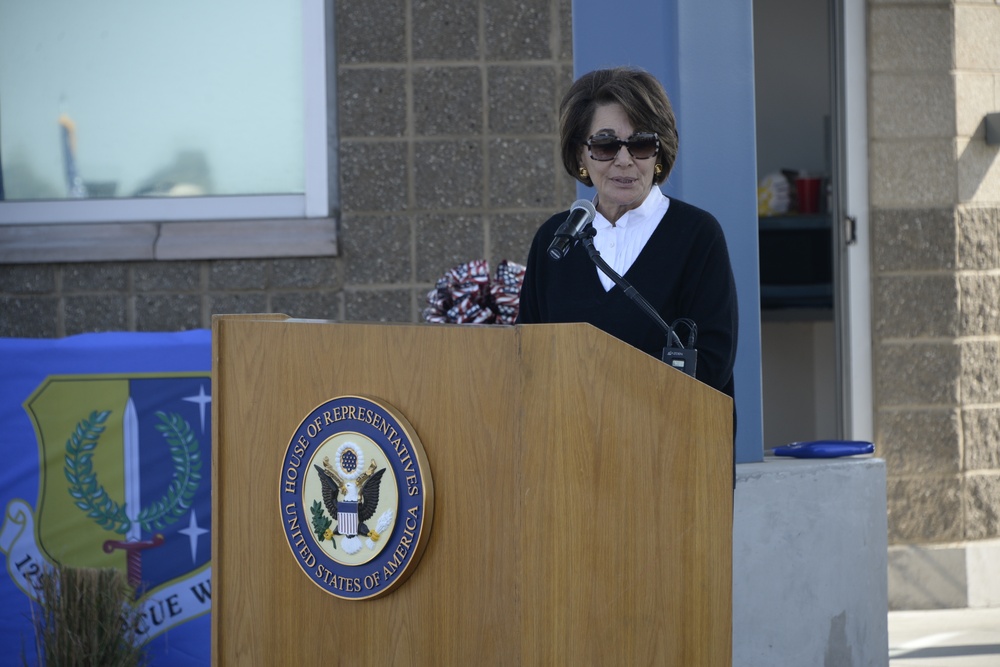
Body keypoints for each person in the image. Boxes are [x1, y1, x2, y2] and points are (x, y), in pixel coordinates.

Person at [517, 66, 738, 399]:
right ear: (581, 153)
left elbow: (712, 362)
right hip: (569, 441)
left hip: (668, 440)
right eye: (606, 145)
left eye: (641, 144)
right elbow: (527, 356)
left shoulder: (697, 235)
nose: (624, 160)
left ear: (659, 153)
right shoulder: (556, 238)